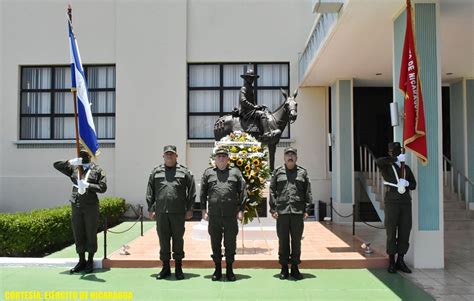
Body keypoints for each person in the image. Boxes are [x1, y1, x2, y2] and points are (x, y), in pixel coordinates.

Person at [146, 145, 196, 280]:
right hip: (161, 212)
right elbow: (150, 190)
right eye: (167, 154)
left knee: (178, 240)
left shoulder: (184, 172)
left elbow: (191, 191)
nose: (169, 156)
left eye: (172, 154)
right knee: (163, 239)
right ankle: (166, 267)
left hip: (178, 212)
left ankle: (179, 268)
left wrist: (190, 208)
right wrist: (151, 208)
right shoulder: (156, 172)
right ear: (163, 156)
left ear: (176, 156)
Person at [53, 149, 107, 274]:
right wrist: (70, 162)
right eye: (80, 154)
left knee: (90, 232)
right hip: (76, 204)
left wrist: (88, 185)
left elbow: (103, 187)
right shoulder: (75, 168)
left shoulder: (97, 170)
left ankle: (90, 261)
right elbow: (56, 165)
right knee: (78, 232)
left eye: (85, 154)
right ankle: (81, 260)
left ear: (90, 156)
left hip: (90, 205)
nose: (82, 156)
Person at [200, 148, 246, 281]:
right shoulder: (208, 173)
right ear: (215, 159)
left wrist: (241, 210)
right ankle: (217, 269)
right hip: (214, 215)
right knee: (215, 242)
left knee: (230, 243)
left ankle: (230, 269)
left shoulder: (235, 173)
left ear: (228, 159)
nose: (221, 158)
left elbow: (243, 192)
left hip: (230, 215)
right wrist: (203, 210)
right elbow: (203, 193)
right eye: (219, 156)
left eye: (224, 156)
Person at [269, 147, 312, 280]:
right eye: (288, 154)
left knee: (296, 241)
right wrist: (273, 209)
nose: (290, 157)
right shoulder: (278, 172)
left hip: (297, 211)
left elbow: (308, 192)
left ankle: (295, 267)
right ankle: (283, 267)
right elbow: (272, 191)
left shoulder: (302, 173)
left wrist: (307, 210)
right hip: (282, 212)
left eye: (293, 154)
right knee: (283, 240)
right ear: (284, 157)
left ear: (296, 157)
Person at [376, 142, 417, 274]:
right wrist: (394, 160)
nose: (394, 152)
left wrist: (407, 183)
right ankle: (391, 261)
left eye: (396, 151)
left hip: (405, 202)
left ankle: (401, 260)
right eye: (392, 151)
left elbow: (414, 185)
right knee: (391, 232)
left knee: (405, 231)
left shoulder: (406, 169)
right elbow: (378, 161)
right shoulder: (387, 167)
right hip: (392, 202)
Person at [239, 69, 281, 139]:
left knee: (265, 112)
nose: (251, 79)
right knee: (262, 114)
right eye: (249, 78)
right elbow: (243, 101)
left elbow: (252, 103)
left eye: (252, 78)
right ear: (246, 78)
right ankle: (266, 133)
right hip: (246, 111)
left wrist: (259, 106)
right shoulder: (244, 88)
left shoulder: (250, 88)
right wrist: (254, 107)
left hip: (250, 110)